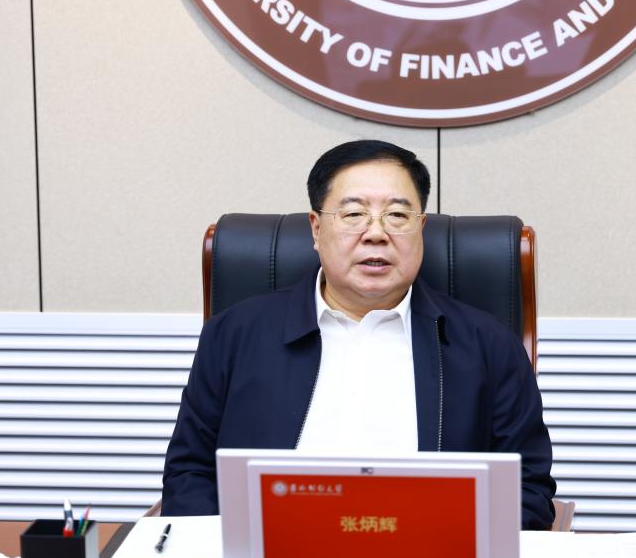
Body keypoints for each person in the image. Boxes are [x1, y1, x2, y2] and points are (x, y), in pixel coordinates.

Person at [162, 140, 556, 529]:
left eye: (397, 215)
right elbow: (190, 473)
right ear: (316, 228)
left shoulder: (489, 346)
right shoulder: (233, 335)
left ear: (421, 228)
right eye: (354, 214)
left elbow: (526, 491)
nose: (376, 233)